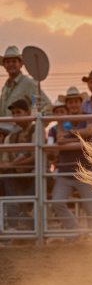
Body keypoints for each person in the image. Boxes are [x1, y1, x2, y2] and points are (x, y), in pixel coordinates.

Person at [51, 86, 92, 232]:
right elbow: (59, 140)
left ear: (80, 102)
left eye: (75, 102)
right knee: (56, 202)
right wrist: (80, 138)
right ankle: (76, 231)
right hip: (66, 171)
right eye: (70, 102)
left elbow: (90, 131)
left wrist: (69, 134)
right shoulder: (62, 120)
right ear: (67, 104)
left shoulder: (88, 116)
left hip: (86, 171)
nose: (73, 104)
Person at [0, 98, 37, 230]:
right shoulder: (11, 136)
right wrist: (9, 165)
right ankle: (14, 227)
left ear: (27, 113)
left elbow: (36, 157)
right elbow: (5, 159)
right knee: (8, 184)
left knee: (23, 197)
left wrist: (11, 165)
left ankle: (18, 226)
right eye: (13, 113)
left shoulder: (36, 130)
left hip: (34, 174)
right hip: (16, 175)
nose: (15, 116)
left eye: (18, 112)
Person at [0, 45, 51, 121]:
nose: (11, 64)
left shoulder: (28, 83)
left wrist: (36, 125)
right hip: (5, 131)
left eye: (14, 61)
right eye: (8, 62)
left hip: (22, 130)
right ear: (4, 65)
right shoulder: (5, 87)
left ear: (20, 64)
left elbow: (46, 105)